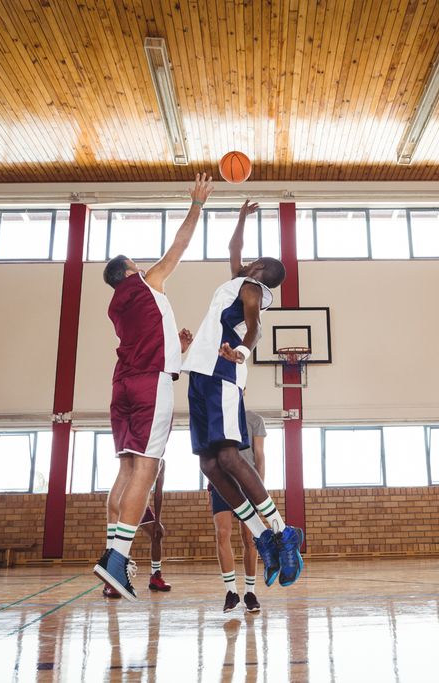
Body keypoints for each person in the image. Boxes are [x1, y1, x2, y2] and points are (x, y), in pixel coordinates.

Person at [94, 173, 214, 602]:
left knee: (126, 468)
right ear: (129, 271)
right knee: (148, 466)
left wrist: (175, 349)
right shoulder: (145, 284)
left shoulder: (118, 305)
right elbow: (178, 248)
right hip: (149, 385)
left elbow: (148, 343)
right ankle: (116, 561)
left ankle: (112, 554)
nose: (144, 267)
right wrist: (197, 204)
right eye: (136, 265)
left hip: (123, 386)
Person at [181, 199, 304, 590]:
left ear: (259, 270)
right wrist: (239, 217)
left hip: (222, 371)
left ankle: (283, 532)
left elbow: (253, 329)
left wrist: (242, 352)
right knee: (209, 465)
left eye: (253, 261)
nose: (245, 260)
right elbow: (233, 250)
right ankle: (261, 534)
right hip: (199, 374)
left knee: (230, 456)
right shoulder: (238, 279)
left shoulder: (252, 288)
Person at [208, 406, 268, 612]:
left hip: (247, 483)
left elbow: (259, 455)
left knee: (250, 538)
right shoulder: (216, 417)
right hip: (221, 483)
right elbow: (209, 456)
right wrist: (210, 486)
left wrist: (258, 488)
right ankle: (231, 592)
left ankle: (250, 592)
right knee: (222, 533)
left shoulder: (254, 419)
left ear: (242, 391)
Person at [103, 460, 170, 598]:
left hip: (141, 503)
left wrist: (157, 521)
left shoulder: (161, 462)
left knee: (156, 535)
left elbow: (158, 492)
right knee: (115, 540)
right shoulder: (137, 456)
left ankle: (155, 576)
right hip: (122, 500)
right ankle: (109, 581)